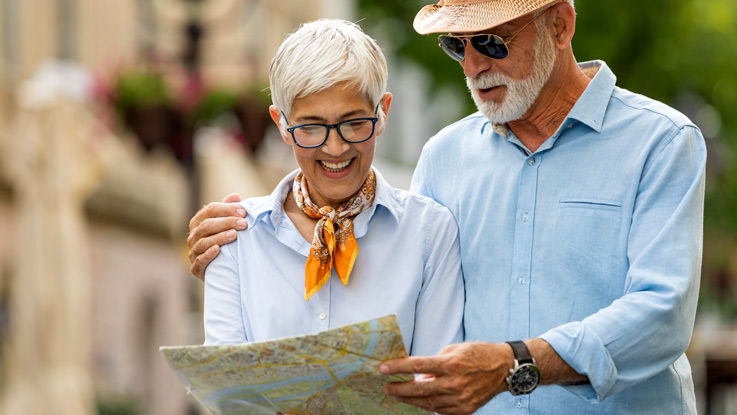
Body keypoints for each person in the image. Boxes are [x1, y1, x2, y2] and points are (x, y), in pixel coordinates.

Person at [188, 1, 706, 414]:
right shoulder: (444, 157)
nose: (475, 65)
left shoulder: (659, 142)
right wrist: (236, 253)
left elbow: (663, 314)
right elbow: (397, 270)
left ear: (560, 26)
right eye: (457, 46)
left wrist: (515, 363)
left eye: (491, 41)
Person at [202, 18, 464, 365]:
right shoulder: (236, 239)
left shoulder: (429, 233)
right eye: (311, 127)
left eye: (354, 123)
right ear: (281, 123)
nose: (336, 148)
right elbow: (225, 385)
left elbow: (437, 380)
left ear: (382, 112)